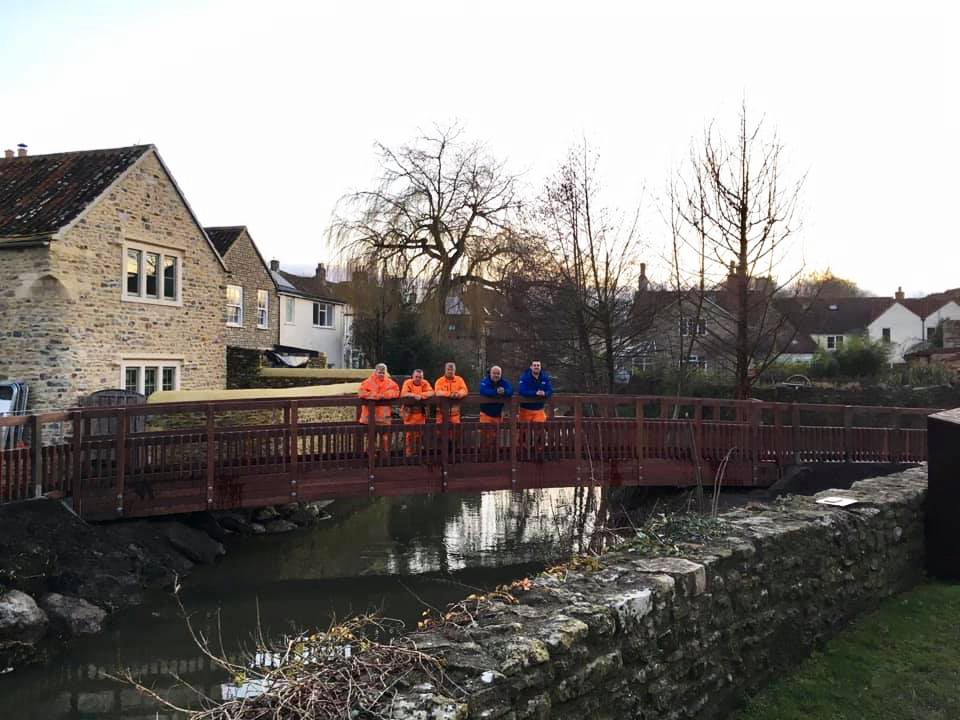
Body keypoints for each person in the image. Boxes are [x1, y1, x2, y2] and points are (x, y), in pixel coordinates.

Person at [358, 363, 399, 451]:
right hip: (369, 419)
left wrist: (384, 395)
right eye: (380, 372)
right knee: (370, 440)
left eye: (383, 373)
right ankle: (371, 456)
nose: (381, 374)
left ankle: (384, 457)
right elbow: (361, 393)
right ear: (375, 372)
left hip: (384, 419)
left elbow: (396, 392)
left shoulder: (390, 383)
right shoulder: (367, 382)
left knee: (385, 441)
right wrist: (376, 396)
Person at [517, 360, 553, 455]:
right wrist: (535, 393)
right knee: (524, 432)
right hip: (525, 410)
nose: (536, 367)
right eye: (534, 365)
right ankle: (523, 452)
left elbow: (550, 390)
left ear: (540, 367)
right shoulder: (525, 377)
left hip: (539, 410)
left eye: (538, 365)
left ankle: (539, 452)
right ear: (531, 367)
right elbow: (522, 391)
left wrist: (545, 393)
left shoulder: (544, 377)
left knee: (540, 430)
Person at [478, 365, 512, 455]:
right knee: (485, 436)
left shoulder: (504, 382)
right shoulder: (485, 381)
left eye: (498, 373)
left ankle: (494, 456)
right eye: (494, 373)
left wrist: (504, 391)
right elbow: (484, 391)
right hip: (486, 413)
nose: (496, 375)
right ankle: (484, 456)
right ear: (490, 373)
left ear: (501, 374)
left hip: (497, 414)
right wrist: (496, 391)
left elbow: (510, 390)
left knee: (495, 437)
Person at [400, 369, 434, 456]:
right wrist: (414, 395)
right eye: (416, 377)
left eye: (420, 377)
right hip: (409, 414)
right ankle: (408, 454)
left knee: (419, 434)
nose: (418, 379)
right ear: (412, 376)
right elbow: (403, 393)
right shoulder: (407, 383)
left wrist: (421, 396)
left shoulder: (425, 383)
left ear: (423, 377)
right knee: (409, 435)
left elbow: (431, 392)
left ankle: (418, 455)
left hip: (421, 414)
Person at [434, 362, 469, 429]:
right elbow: (438, 392)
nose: (450, 371)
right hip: (441, 414)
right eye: (448, 369)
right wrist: (450, 394)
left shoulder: (459, 380)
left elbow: (464, 390)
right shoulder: (439, 381)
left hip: (455, 414)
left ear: (454, 370)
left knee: (456, 432)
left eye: (452, 370)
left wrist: (458, 394)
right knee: (440, 432)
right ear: (445, 370)